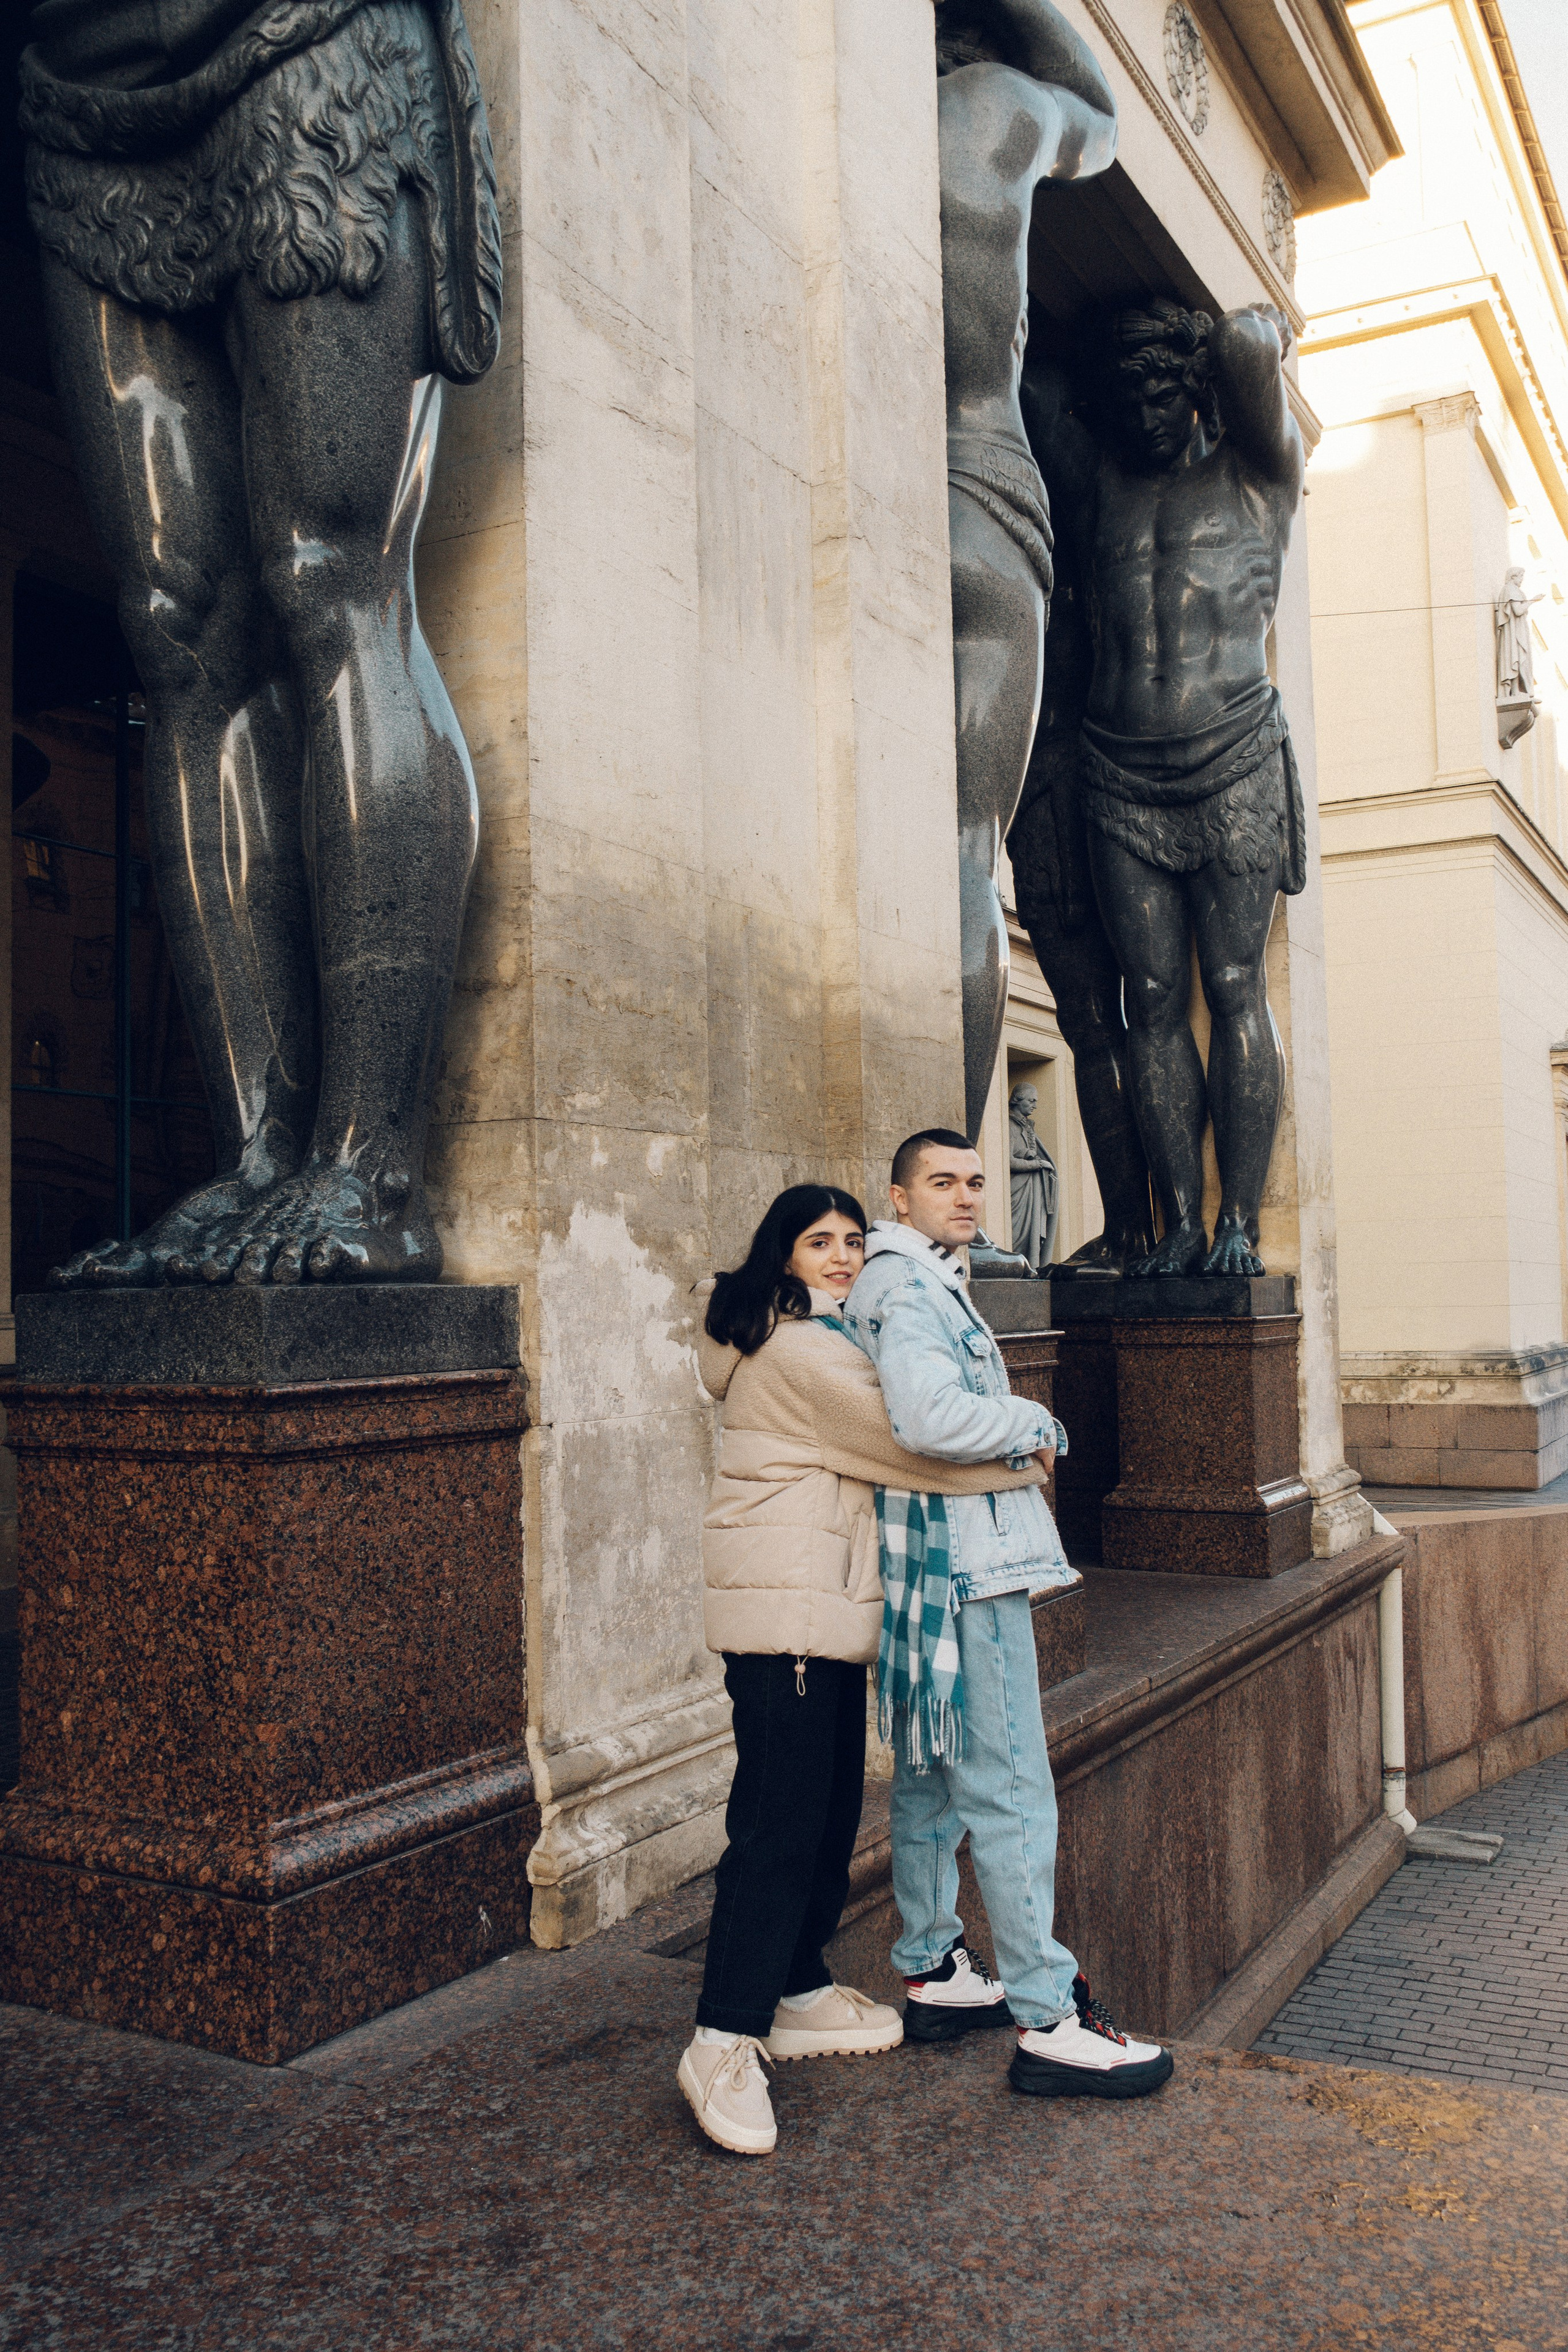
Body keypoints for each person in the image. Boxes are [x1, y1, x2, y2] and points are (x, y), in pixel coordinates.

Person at [21, 0, 500, 1287]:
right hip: (80, 100)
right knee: (179, 632)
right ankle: (254, 1155)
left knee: (330, 580)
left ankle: (368, 1165)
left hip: (305, 45)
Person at [682, 1183, 1054, 2155]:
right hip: (789, 1623)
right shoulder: (802, 1351)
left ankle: (796, 1988)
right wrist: (1030, 1445)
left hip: (824, 1621)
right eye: (820, 1243)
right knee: (775, 1831)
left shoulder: (805, 1335)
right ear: (783, 1256)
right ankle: (722, 2036)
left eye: (853, 1240)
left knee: (827, 1815)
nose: (844, 1257)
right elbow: (911, 1449)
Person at [843, 1131, 1174, 2100]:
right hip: (967, 1569)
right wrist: (1038, 1423)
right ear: (898, 1198)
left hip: (935, 1567)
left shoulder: (915, 1279)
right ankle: (1048, 2015)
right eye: (943, 1183)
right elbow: (930, 1418)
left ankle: (933, 1966)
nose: (968, 1197)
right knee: (1014, 1788)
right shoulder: (907, 1288)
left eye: (977, 1182)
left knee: (935, 1779)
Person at [1027, 297, 1305, 1278]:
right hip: (1117, 770)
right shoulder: (1102, 488)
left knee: (1232, 988)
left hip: (1231, 754)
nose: (1144, 412)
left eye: (1162, 389)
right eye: (1127, 393)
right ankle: (1180, 1219)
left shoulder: (1260, 476)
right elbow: (1036, 384)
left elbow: (1247, 346)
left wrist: (1248, 334)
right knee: (1150, 997)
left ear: (1199, 392)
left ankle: (1239, 1222)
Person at [934, 0, 1117, 1137]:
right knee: (961, 848)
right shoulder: (992, 110)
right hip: (976, 488)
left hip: (837, 478)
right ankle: (949, 1185)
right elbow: (1101, 114)